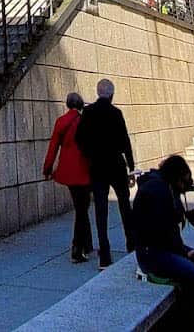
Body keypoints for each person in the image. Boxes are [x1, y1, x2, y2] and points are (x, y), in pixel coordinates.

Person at [133, 154, 194, 305]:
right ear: (176, 177)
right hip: (152, 254)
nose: (184, 187)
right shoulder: (158, 192)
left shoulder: (167, 186)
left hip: (169, 247)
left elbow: (170, 231)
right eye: (183, 181)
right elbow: (160, 232)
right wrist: (184, 254)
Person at [75, 77, 135, 268]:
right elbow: (125, 139)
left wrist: (90, 153)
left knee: (101, 211)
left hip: (97, 165)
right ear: (112, 95)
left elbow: (79, 138)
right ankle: (131, 244)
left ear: (97, 92)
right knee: (125, 206)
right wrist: (131, 164)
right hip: (116, 164)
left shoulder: (88, 112)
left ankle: (105, 254)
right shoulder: (116, 113)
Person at [42, 91, 92, 263]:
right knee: (82, 208)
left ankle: (86, 244)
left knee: (81, 207)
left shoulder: (61, 121)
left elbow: (53, 147)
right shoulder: (85, 121)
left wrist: (47, 169)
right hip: (85, 170)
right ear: (81, 105)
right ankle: (78, 248)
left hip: (68, 170)